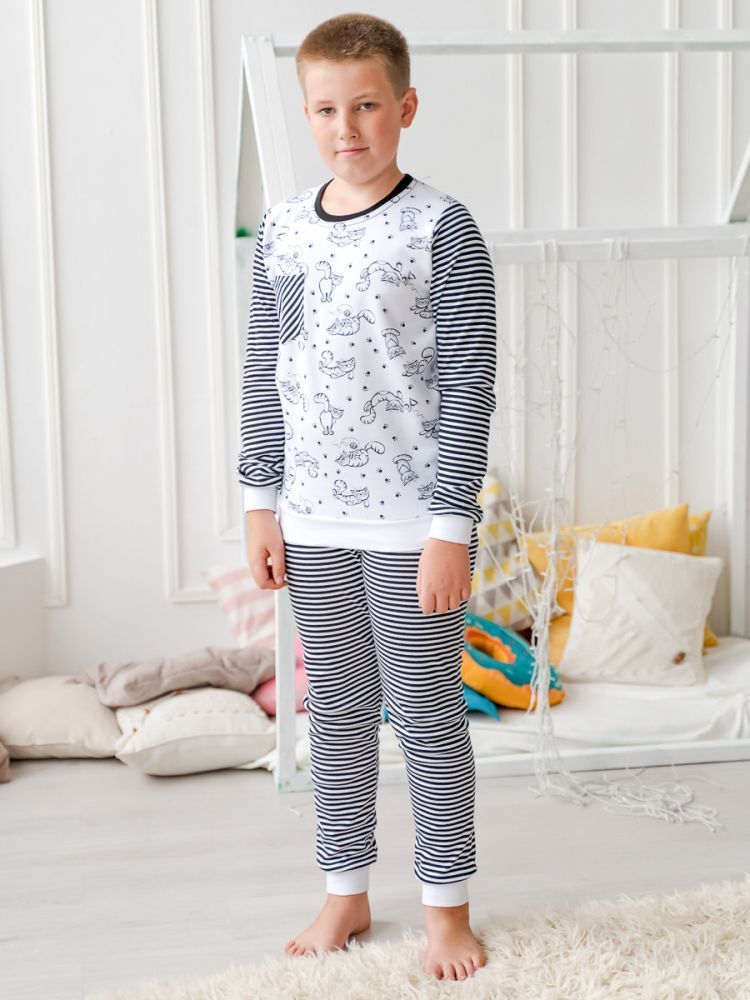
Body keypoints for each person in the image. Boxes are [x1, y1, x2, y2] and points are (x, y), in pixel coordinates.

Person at [238, 12, 497, 983]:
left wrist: (450, 526)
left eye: (366, 106)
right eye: (325, 110)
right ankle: (344, 889)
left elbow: (469, 384)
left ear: (406, 106)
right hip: (310, 519)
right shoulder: (282, 227)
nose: (346, 129)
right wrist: (259, 501)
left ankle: (446, 909)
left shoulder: (442, 227)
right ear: (306, 113)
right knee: (338, 711)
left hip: (412, 523)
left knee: (426, 714)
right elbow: (265, 369)